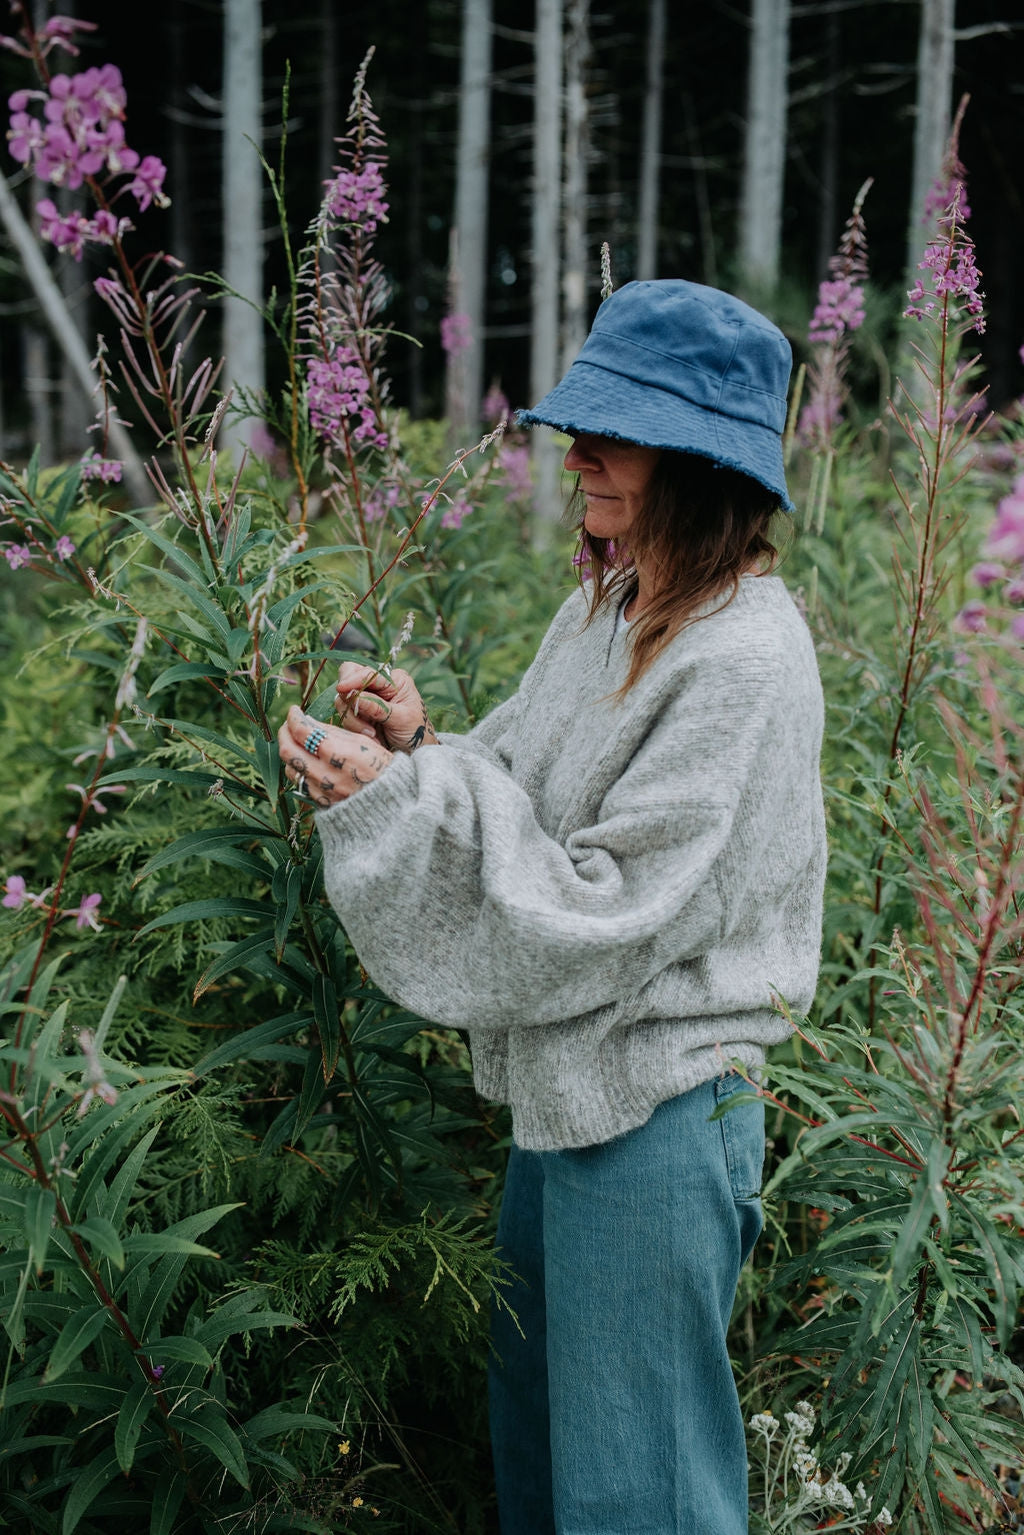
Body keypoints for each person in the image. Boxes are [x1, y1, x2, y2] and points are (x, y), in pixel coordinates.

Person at [277, 279, 827, 1535]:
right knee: (547, 1458)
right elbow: (522, 783)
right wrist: (419, 750)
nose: (574, 450)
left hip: (658, 1114)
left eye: (613, 429)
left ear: (698, 462)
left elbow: (610, 905)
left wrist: (408, 809)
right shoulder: (619, 604)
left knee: (642, 1498)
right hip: (573, 1095)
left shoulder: (739, 655)